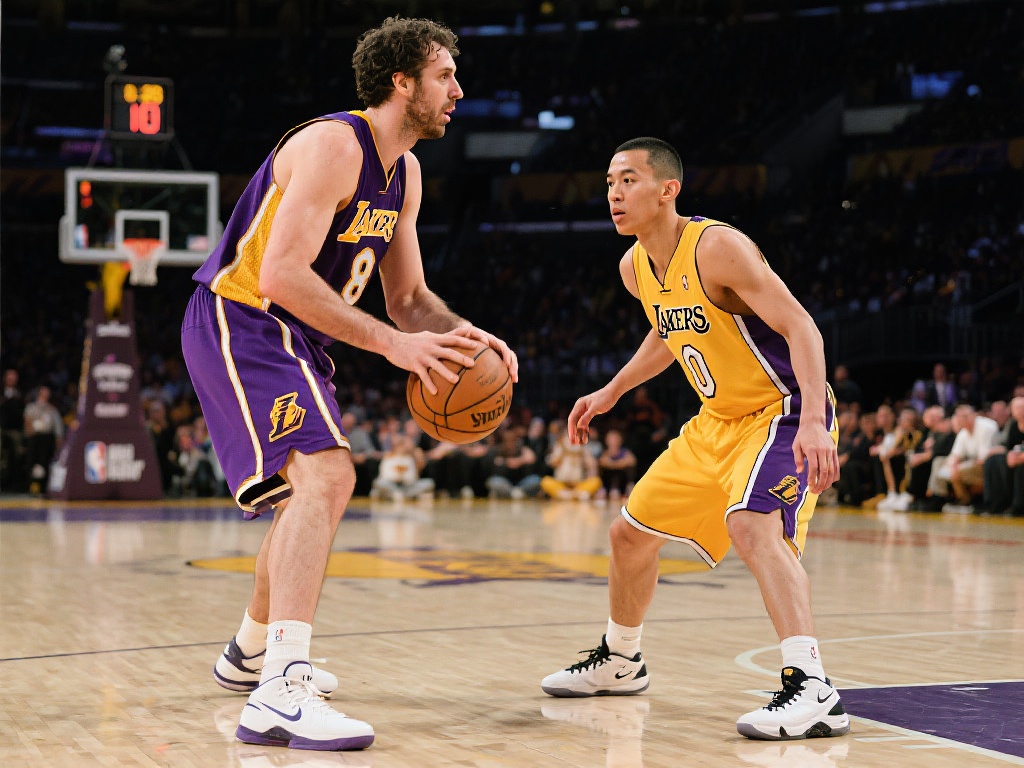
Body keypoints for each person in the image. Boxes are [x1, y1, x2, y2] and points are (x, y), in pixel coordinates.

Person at [180, 16, 517, 752]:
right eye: (444, 76)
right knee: (329, 476)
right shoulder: (334, 146)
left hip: (292, 336)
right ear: (402, 82)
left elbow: (409, 299)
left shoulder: (407, 172)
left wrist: (467, 334)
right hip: (243, 317)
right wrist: (394, 347)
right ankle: (280, 691)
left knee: (306, 497)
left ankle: (250, 654)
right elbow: (280, 275)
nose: (458, 90)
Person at [540, 137, 847, 741]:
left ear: (668, 189)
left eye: (628, 180)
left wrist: (814, 419)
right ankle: (622, 660)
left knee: (752, 525)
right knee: (629, 535)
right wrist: (612, 390)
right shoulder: (634, 268)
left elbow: (801, 325)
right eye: (609, 183)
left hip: (779, 411)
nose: (614, 193)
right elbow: (669, 330)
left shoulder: (717, 247)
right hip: (715, 422)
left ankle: (813, 687)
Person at [540, 431, 603, 501]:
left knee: (596, 481)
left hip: (578, 484)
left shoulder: (583, 449)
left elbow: (592, 464)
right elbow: (552, 463)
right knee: (545, 481)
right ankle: (574, 495)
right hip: (561, 484)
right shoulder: (559, 447)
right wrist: (563, 452)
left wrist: (582, 453)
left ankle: (568, 495)